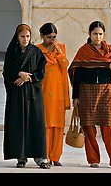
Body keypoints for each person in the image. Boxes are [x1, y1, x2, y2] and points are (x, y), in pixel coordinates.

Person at [68, 20, 111, 169]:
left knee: (110, 126)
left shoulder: (110, 51)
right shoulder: (83, 51)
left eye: (100, 34)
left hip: (106, 92)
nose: (98, 37)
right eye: (95, 34)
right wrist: (75, 96)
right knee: (89, 127)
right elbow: (76, 74)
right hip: (86, 91)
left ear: (103, 35)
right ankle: (93, 159)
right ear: (89, 34)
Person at [2, 23, 51, 169]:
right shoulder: (12, 52)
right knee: (18, 124)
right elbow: (6, 72)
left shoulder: (36, 52)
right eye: (22, 36)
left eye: (28, 36)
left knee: (35, 123)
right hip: (17, 94)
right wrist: (19, 73)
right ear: (17, 37)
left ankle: (40, 157)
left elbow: (41, 72)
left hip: (33, 94)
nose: (25, 39)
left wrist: (28, 78)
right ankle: (21, 156)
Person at [35, 22, 70, 166]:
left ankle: (56, 156)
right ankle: (46, 156)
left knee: (58, 126)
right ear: (42, 36)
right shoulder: (37, 50)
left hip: (59, 92)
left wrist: (59, 52)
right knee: (46, 125)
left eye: (54, 37)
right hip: (44, 92)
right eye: (49, 37)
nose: (52, 40)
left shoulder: (60, 48)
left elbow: (65, 65)